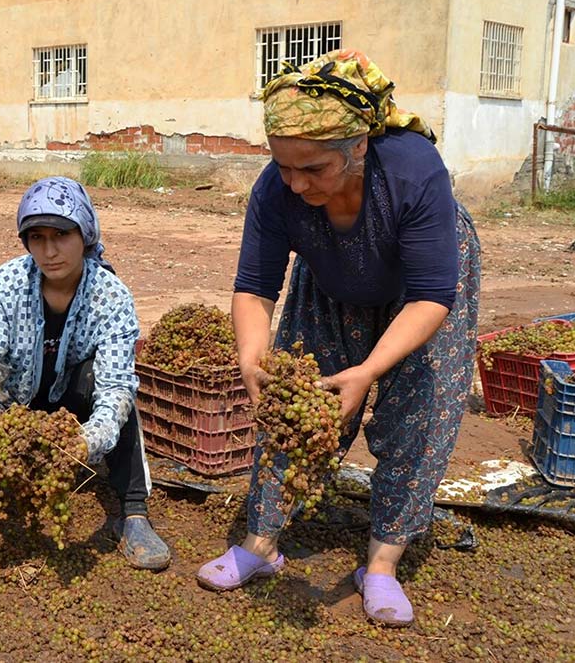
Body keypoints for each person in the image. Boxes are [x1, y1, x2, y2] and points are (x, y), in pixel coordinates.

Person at [195, 50, 481, 627]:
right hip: (330, 273)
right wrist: (252, 358)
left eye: (313, 170)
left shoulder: (412, 170)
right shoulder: (278, 192)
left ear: (357, 148)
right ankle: (261, 544)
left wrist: (370, 370)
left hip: (421, 289)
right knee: (298, 404)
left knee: (418, 413)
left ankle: (381, 564)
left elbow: (431, 294)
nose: (297, 184)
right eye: (283, 167)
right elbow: (254, 286)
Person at [0, 176, 171, 571]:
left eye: (62, 235)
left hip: (74, 406)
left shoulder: (111, 296)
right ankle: (9, 488)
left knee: (117, 393)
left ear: (84, 235)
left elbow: (116, 389)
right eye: (37, 237)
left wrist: (85, 443)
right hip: (18, 403)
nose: (49, 250)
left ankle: (134, 513)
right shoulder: (6, 285)